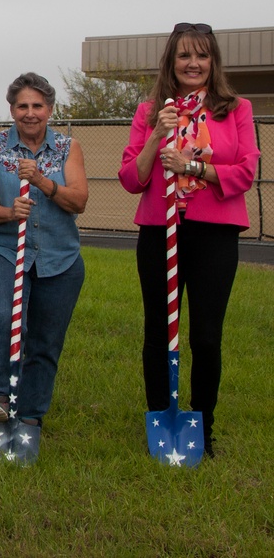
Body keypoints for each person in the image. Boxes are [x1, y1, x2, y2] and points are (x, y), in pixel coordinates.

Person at [119, 23, 260, 457]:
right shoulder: (149, 112)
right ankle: (161, 417)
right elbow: (130, 178)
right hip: (160, 229)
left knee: (206, 334)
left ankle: (203, 424)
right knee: (158, 331)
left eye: (201, 55)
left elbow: (245, 172)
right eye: (184, 56)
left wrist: (193, 167)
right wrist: (158, 137)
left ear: (213, 61)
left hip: (214, 231)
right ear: (171, 62)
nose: (193, 63)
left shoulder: (236, 109)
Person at [0, 73, 88, 430]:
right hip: (4, 250)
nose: (30, 113)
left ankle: (30, 414)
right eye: (22, 105)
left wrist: (42, 181)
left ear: (50, 109)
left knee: (44, 340)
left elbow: (79, 202)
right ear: (12, 109)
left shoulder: (68, 147)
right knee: (5, 317)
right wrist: (10, 213)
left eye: (37, 105)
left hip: (60, 257)